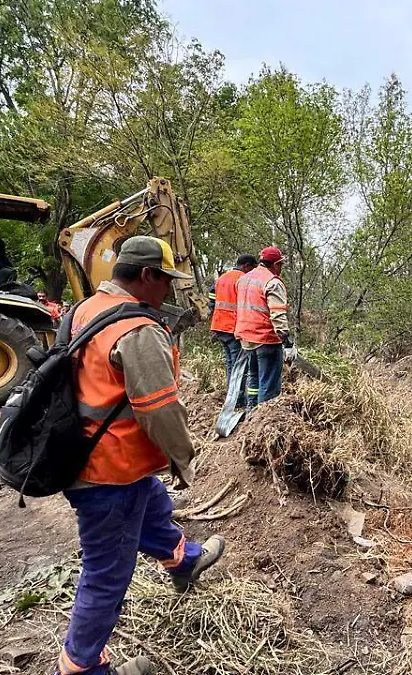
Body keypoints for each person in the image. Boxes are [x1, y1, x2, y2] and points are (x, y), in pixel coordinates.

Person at [55, 236, 226, 675]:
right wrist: (183, 459)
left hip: (90, 455)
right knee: (107, 574)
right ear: (147, 275)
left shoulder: (86, 309)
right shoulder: (137, 329)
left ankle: (183, 561)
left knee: (151, 502)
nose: (168, 290)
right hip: (109, 470)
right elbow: (160, 410)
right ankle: (82, 666)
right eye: (166, 280)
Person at [233, 246, 290, 408]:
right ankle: (263, 422)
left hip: (246, 339)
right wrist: (286, 341)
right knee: (269, 385)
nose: (281, 269)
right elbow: (277, 313)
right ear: (276, 264)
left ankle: (251, 414)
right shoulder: (272, 282)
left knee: (254, 378)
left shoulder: (243, 279)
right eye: (281, 265)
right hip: (266, 340)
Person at [209, 254, 258, 401]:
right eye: (252, 268)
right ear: (246, 266)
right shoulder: (242, 280)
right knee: (239, 366)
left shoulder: (222, 278)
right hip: (233, 327)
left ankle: (232, 394)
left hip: (219, 326)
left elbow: (212, 300)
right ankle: (238, 398)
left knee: (230, 362)